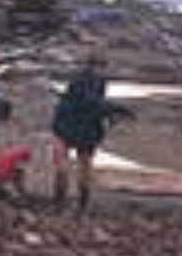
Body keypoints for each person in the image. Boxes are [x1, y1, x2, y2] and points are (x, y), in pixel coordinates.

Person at [51, 49, 133, 213]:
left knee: (63, 163)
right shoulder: (98, 83)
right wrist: (113, 111)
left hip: (66, 124)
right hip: (86, 127)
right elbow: (94, 104)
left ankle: (60, 202)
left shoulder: (76, 80)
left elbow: (74, 104)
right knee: (85, 164)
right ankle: (82, 204)